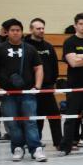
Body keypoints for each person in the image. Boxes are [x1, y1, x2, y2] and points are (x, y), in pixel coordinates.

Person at [0, 18, 46, 162]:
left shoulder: (30, 49)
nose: (15, 33)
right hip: (7, 94)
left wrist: (37, 87)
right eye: (12, 30)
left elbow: (38, 68)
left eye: (18, 30)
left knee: (30, 121)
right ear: (7, 32)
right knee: (12, 123)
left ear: (22, 32)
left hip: (27, 93)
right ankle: (18, 148)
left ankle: (36, 149)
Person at [25, 17, 62, 148]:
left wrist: (52, 82)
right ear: (31, 30)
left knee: (55, 115)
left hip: (47, 87)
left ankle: (59, 142)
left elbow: (54, 66)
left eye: (42, 28)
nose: (41, 30)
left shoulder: (48, 46)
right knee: (36, 117)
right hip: (31, 88)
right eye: (38, 28)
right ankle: (36, 143)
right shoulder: (25, 46)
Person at [58, 13, 83, 156]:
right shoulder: (70, 42)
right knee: (71, 117)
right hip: (74, 86)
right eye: (81, 24)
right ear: (75, 25)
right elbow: (73, 63)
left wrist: (81, 56)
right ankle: (66, 146)